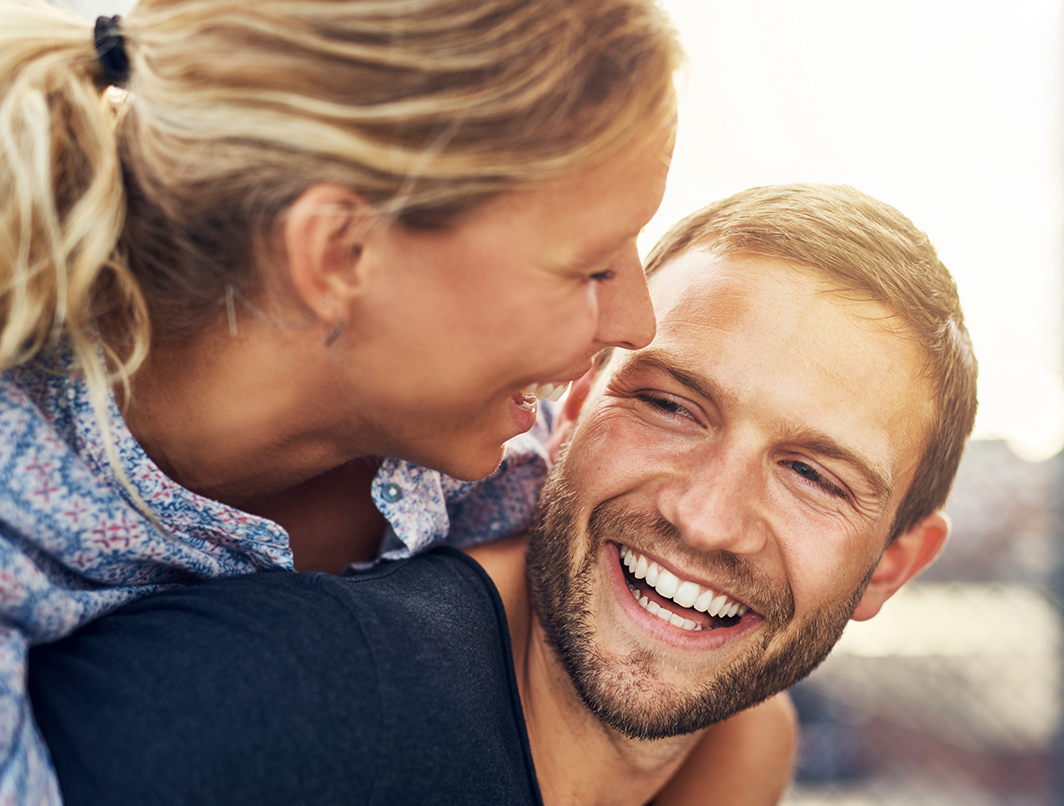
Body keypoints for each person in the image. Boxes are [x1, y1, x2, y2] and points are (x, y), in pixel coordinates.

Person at [0, 0, 756, 801]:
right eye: (591, 267)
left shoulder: (505, 455)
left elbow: (738, 718)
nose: (637, 323)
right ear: (337, 252)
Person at [28, 183, 980, 805]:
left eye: (812, 474)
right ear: (567, 409)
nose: (706, 516)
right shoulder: (261, 710)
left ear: (889, 568)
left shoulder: (735, 741)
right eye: (672, 406)